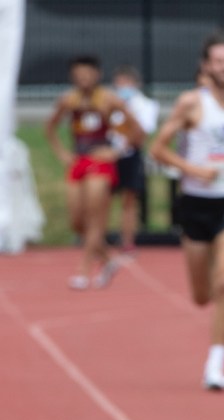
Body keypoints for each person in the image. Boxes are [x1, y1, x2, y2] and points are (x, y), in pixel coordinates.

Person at [150, 31, 224, 390]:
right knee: (204, 296)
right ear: (206, 65)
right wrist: (196, 171)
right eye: (218, 60)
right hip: (196, 204)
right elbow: (158, 149)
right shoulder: (191, 104)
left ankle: (214, 365)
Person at [45, 54, 144, 289]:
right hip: (78, 161)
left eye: (88, 74)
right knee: (77, 221)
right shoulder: (69, 100)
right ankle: (108, 259)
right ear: (73, 76)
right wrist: (62, 153)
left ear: (97, 75)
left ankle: (84, 270)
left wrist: (117, 151)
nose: (84, 79)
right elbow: (50, 127)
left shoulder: (109, 100)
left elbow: (136, 131)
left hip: (101, 164)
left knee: (94, 219)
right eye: (79, 75)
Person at [109, 65, 159, 255]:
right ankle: (99, 239)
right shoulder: (110, 103)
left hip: (131, 155)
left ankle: (127, 241)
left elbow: (142, 132)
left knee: (129, 200)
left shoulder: (145, 105)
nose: (123, 87)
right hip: (110, 154)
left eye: (127, 83)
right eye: (119, 83)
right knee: (103, 198)